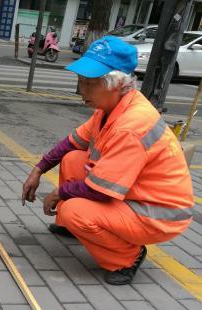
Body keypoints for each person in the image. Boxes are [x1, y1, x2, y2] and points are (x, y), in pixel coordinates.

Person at [22, 36, 194, 285]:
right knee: (72, 159)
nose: (81, 91)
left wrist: (58, 194)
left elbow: (99, 191)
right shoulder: (110, 108)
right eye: (80, 82)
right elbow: (72, 143)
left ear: (116, 84)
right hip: (134, 193)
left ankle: (128, 256)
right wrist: (38, 170)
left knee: (73, 209)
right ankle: (75, 227)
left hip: (158, 212)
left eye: (89, 84)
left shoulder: (131, 125)